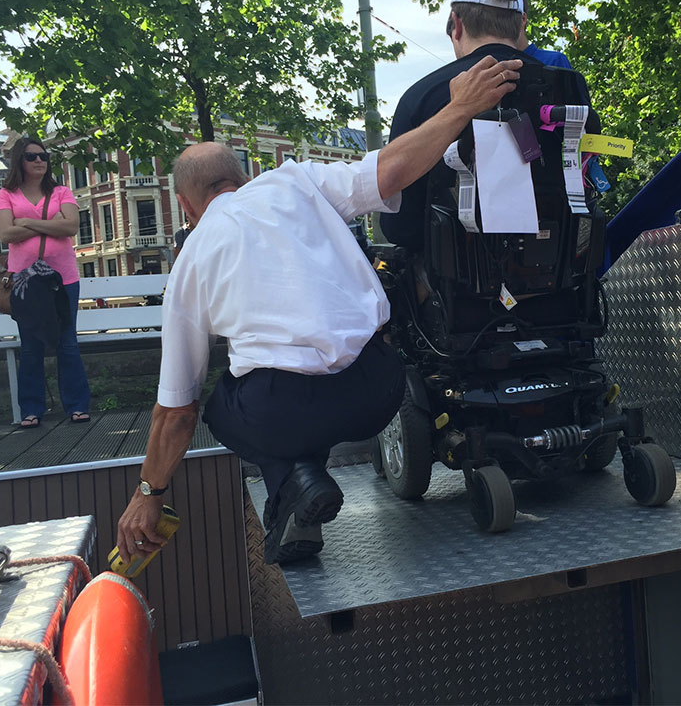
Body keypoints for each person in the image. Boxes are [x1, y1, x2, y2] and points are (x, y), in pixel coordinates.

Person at [115, 55, 523, 566]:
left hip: (282, 411)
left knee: (222, 403)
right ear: (242, 177)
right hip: (376, 388)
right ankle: (298, 489)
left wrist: (147, 495)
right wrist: (461, 106)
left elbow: (175, 412)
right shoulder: (296, 181)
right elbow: (394, 168)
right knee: (297, 400)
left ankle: (299, 478)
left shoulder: (190, 263)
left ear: (185, 204)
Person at [380, 0, 587, 251]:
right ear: (520, 24)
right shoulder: (567, 86)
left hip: (452, 289)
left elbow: (398, 227)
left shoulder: (422, 96)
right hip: (562, 281)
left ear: (458, 23)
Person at [0, 137, 91, 428]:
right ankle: (31, 410)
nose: (39, 161)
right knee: (31, 345)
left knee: (67, 342)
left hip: (64, 279)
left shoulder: (61, 191)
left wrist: (26, 222)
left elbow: (71, 226)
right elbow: (4, 234)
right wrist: (51, 225)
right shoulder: (6, 194)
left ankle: (77, 406)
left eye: (44, 156)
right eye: (32, 156)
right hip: (25, 282)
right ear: (19, 162)